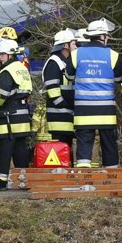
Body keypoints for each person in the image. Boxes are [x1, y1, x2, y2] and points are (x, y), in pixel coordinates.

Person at [67, 20, 122, 168]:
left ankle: (83, 180)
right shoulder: (113, 55)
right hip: (106, 109)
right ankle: (111, 180)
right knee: (109, 145)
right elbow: (118, 79)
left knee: (84, 147)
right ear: (103, 36)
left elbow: (69, 76)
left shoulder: (75, 54)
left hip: (83, 109)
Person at [0, 38, 32, 188]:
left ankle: (0, 182)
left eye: (3, 54)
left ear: (10, 55)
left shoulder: (7, 71)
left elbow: (1, 97)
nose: (0, 57)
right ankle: (23, 181)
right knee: (20, 151)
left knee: (3, 151)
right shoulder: (21, 68)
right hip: (22, 117)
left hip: (8, 118)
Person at [42, 29, 77, 159]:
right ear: (65, 45)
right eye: (73, 43)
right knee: (61, 155)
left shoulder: (68, 61)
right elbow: (52, 89)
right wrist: (64, 105)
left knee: (67, 153)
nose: (76, 46)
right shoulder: (54, 62)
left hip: (67, 115)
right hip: (59, 116)